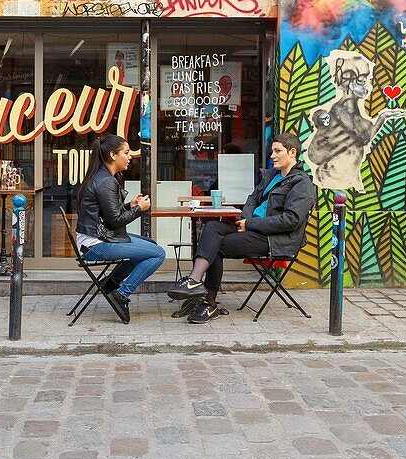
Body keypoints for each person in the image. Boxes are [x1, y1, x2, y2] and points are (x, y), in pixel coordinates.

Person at [167, 134, 314, 324]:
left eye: (278, 151)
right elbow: (252, 199)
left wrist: (251, 224)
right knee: (212, 226)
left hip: (275, 239)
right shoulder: (272, 176)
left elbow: (290, 220)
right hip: (253, 228)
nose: (273, 156)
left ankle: (209, 303)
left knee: (216, 246)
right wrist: (246, 219)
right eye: (272, 151)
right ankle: (195, 281)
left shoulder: (302, 183)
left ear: (293, 152)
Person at [75, 135, 165, 323]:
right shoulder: (106, 181)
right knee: (157, 253)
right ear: (113, 155)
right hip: (95, 244)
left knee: (149, 245)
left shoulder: (102, 176)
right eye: (126, 152)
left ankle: (110, 283)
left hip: (94, 237)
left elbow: (109, 215)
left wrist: (130, 206)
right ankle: (121, 294)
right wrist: (140, 209)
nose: (130, 156)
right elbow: (115, 221)